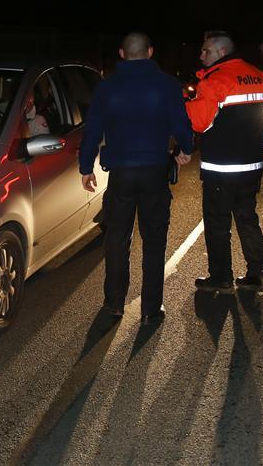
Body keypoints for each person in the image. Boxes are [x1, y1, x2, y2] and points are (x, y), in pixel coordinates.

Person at [79, 32, 194, 325]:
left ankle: (114, 304)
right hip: (155, 171)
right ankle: (150, 309)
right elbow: (181, 123)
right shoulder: (167, 84)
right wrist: (185, 148)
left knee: (117, 239)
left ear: (121, 53)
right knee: (154, 241)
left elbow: (92, 129)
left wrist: (85, 167)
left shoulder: (108, 86)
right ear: (151, 52)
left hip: (121, 174)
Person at [185, 31, 263, 294]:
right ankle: (259, 274)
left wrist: (188, 103)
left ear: (221, 52)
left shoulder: (214, 81)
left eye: (206, 51)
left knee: (217, 224)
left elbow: (199, 122)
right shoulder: (259, 76)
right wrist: (261, 154)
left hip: (221, 168)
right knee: (247, 220)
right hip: (251, 166)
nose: (201, 55)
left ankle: (221, 278)